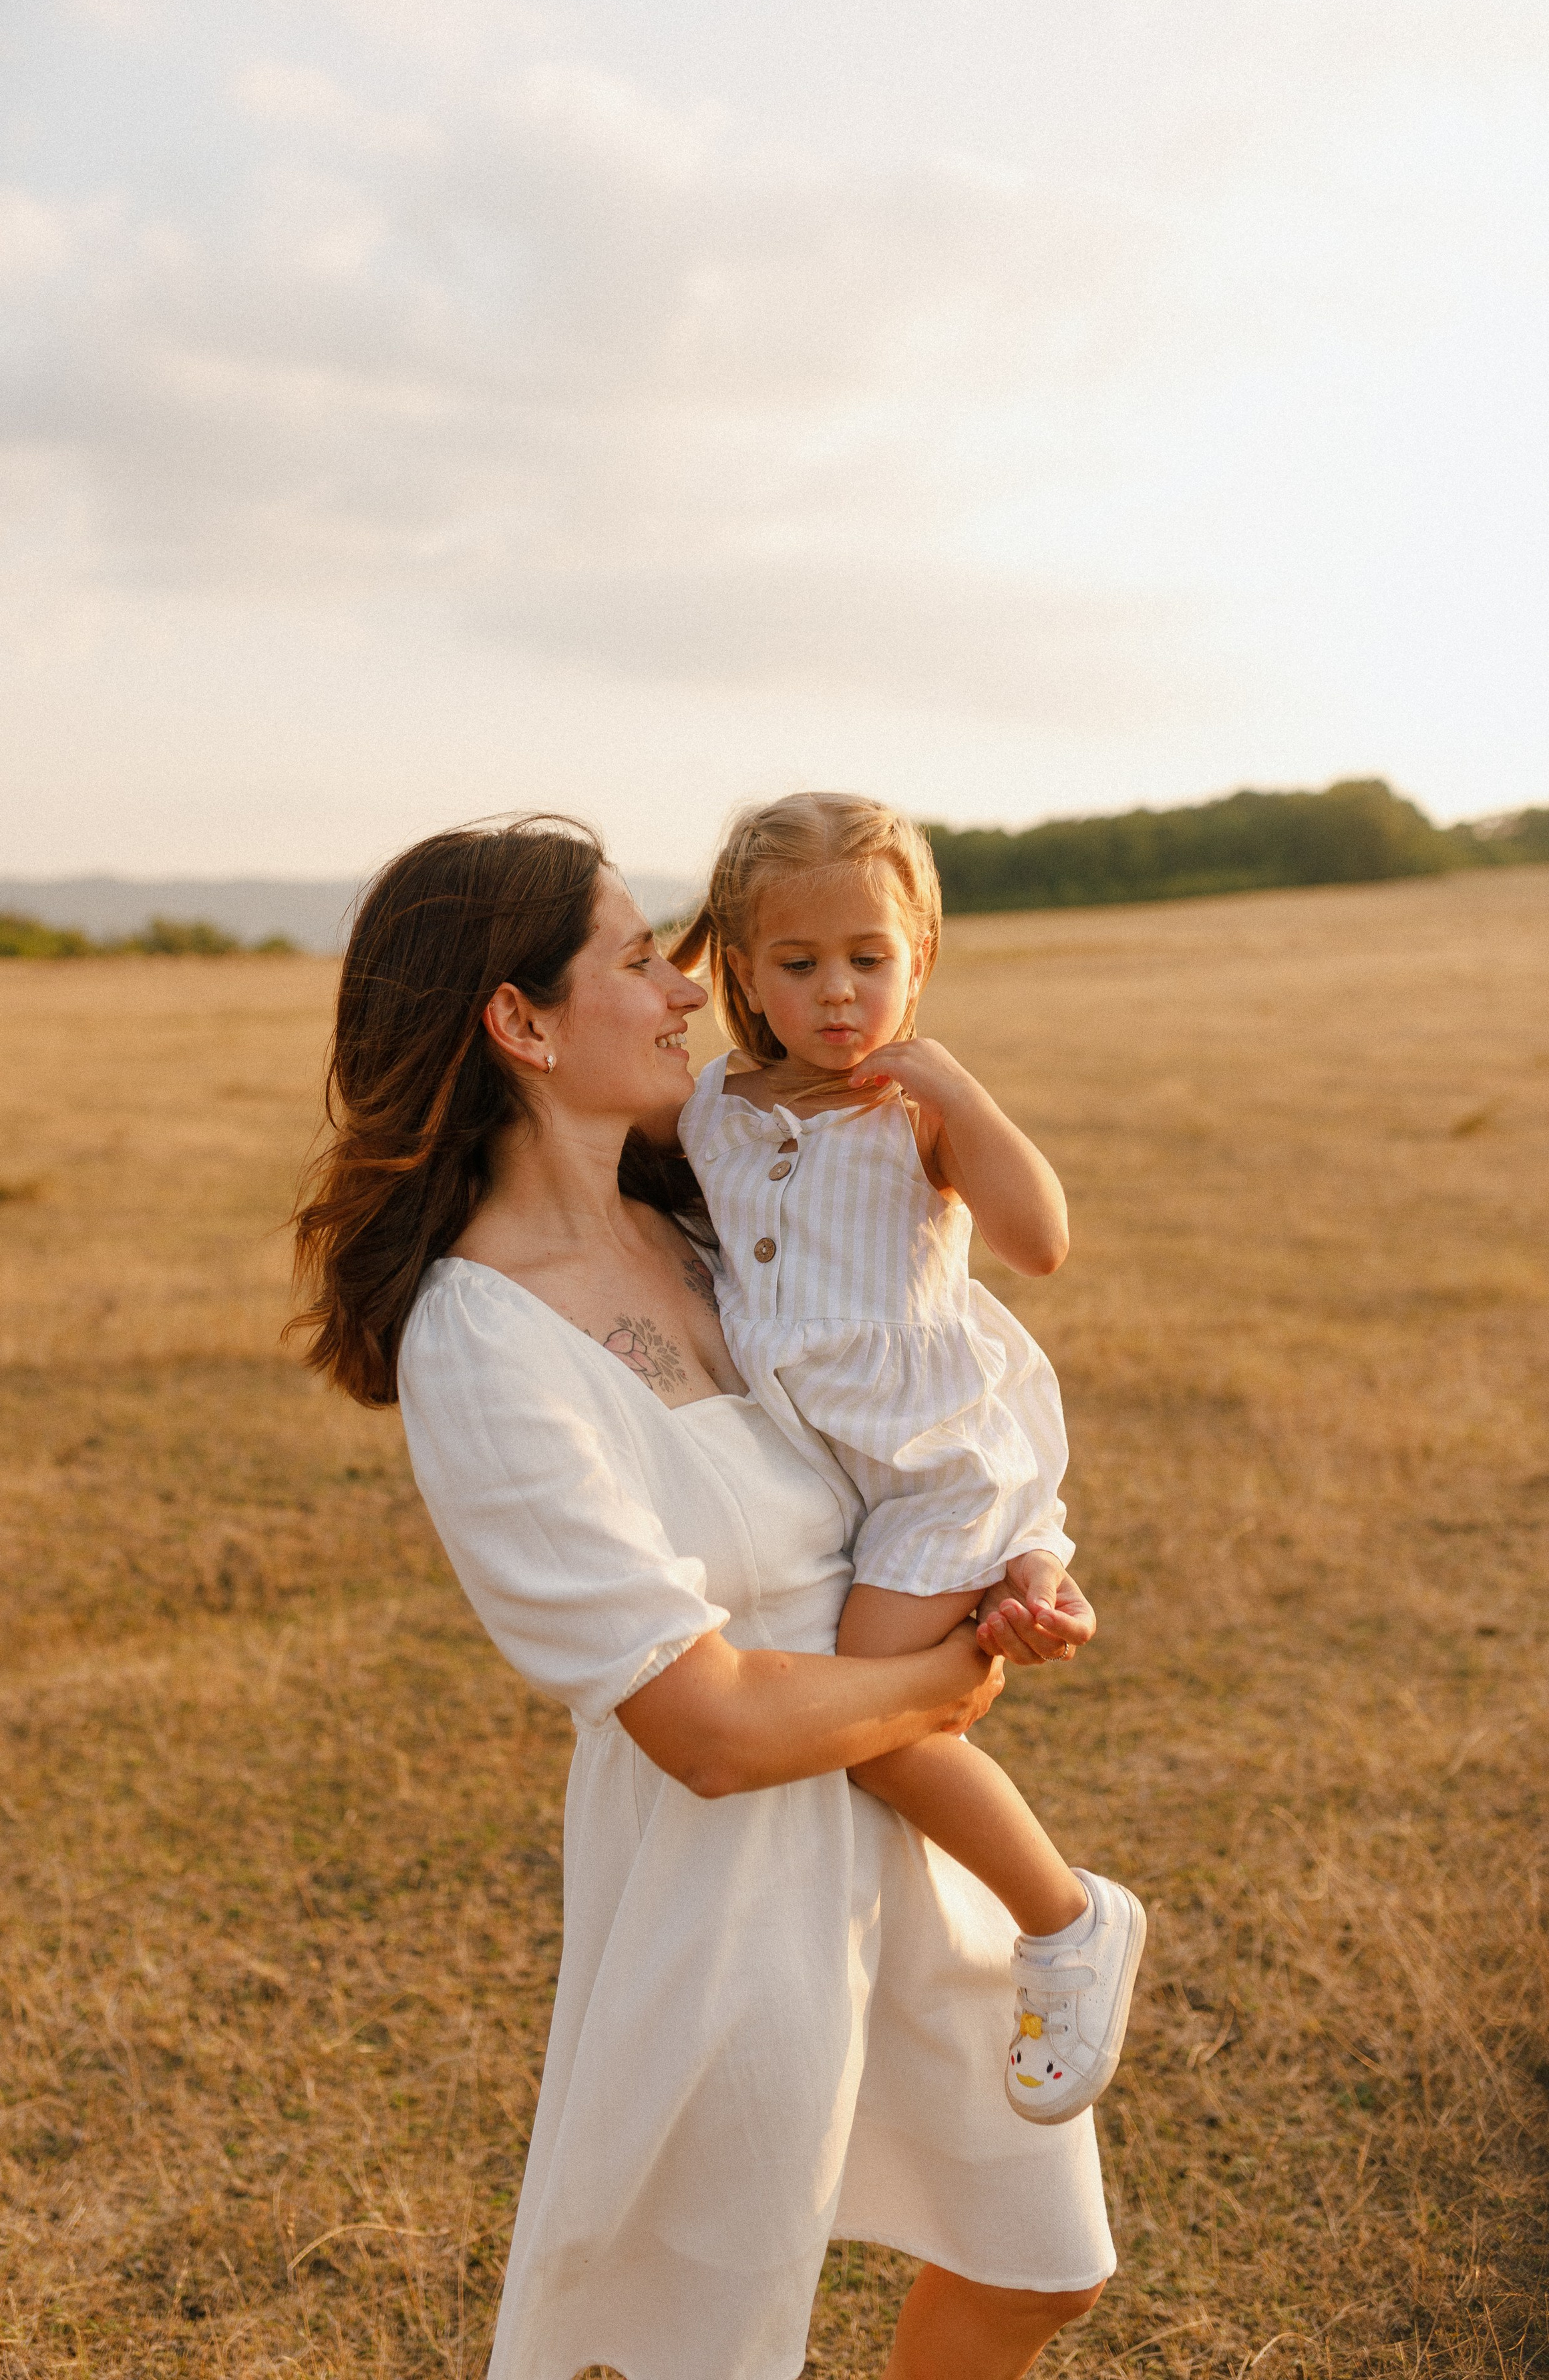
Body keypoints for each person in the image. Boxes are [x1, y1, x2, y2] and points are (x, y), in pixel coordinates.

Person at [291, 816, 1115, 2380]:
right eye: (641, 956)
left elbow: (929, 1412)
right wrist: (942, 1692)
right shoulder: (480, 1341)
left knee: (1030, 2263)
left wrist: (1018, 1564)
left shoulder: (711, 1228)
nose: (690, 988)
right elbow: (705, 1729)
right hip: (726, 1893)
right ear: (520, 1022)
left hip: (896, 1844)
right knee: (711, 2339)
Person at [672, 793, 1144, 2127]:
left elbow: (1039, 1243)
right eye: (798, 962)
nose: (836, 994)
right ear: (743, 978)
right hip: (835, 1477)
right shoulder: (712, 1106)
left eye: (868, 960)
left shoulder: (913, 1111)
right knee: (858, 1717)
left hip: (934, 1471)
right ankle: (1027, 1587)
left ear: (917, 959)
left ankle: (1065, 1919)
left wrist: (955, 1092)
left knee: (878, 1735)